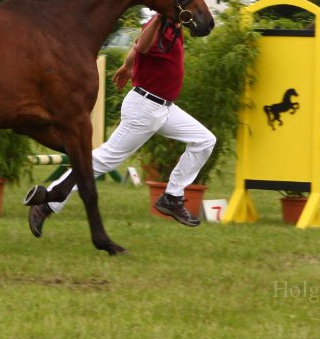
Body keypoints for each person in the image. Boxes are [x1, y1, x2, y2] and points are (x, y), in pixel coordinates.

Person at [23, 13, 216, 233]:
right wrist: (161, 15)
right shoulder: (157, 23)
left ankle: (172, 197)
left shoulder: (173, 24)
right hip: (144, 109)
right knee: (104, 160)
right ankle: (46, 204)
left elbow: (135, 50)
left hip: (164, 108)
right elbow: (142, 46)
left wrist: (126, 66)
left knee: (204, 140)